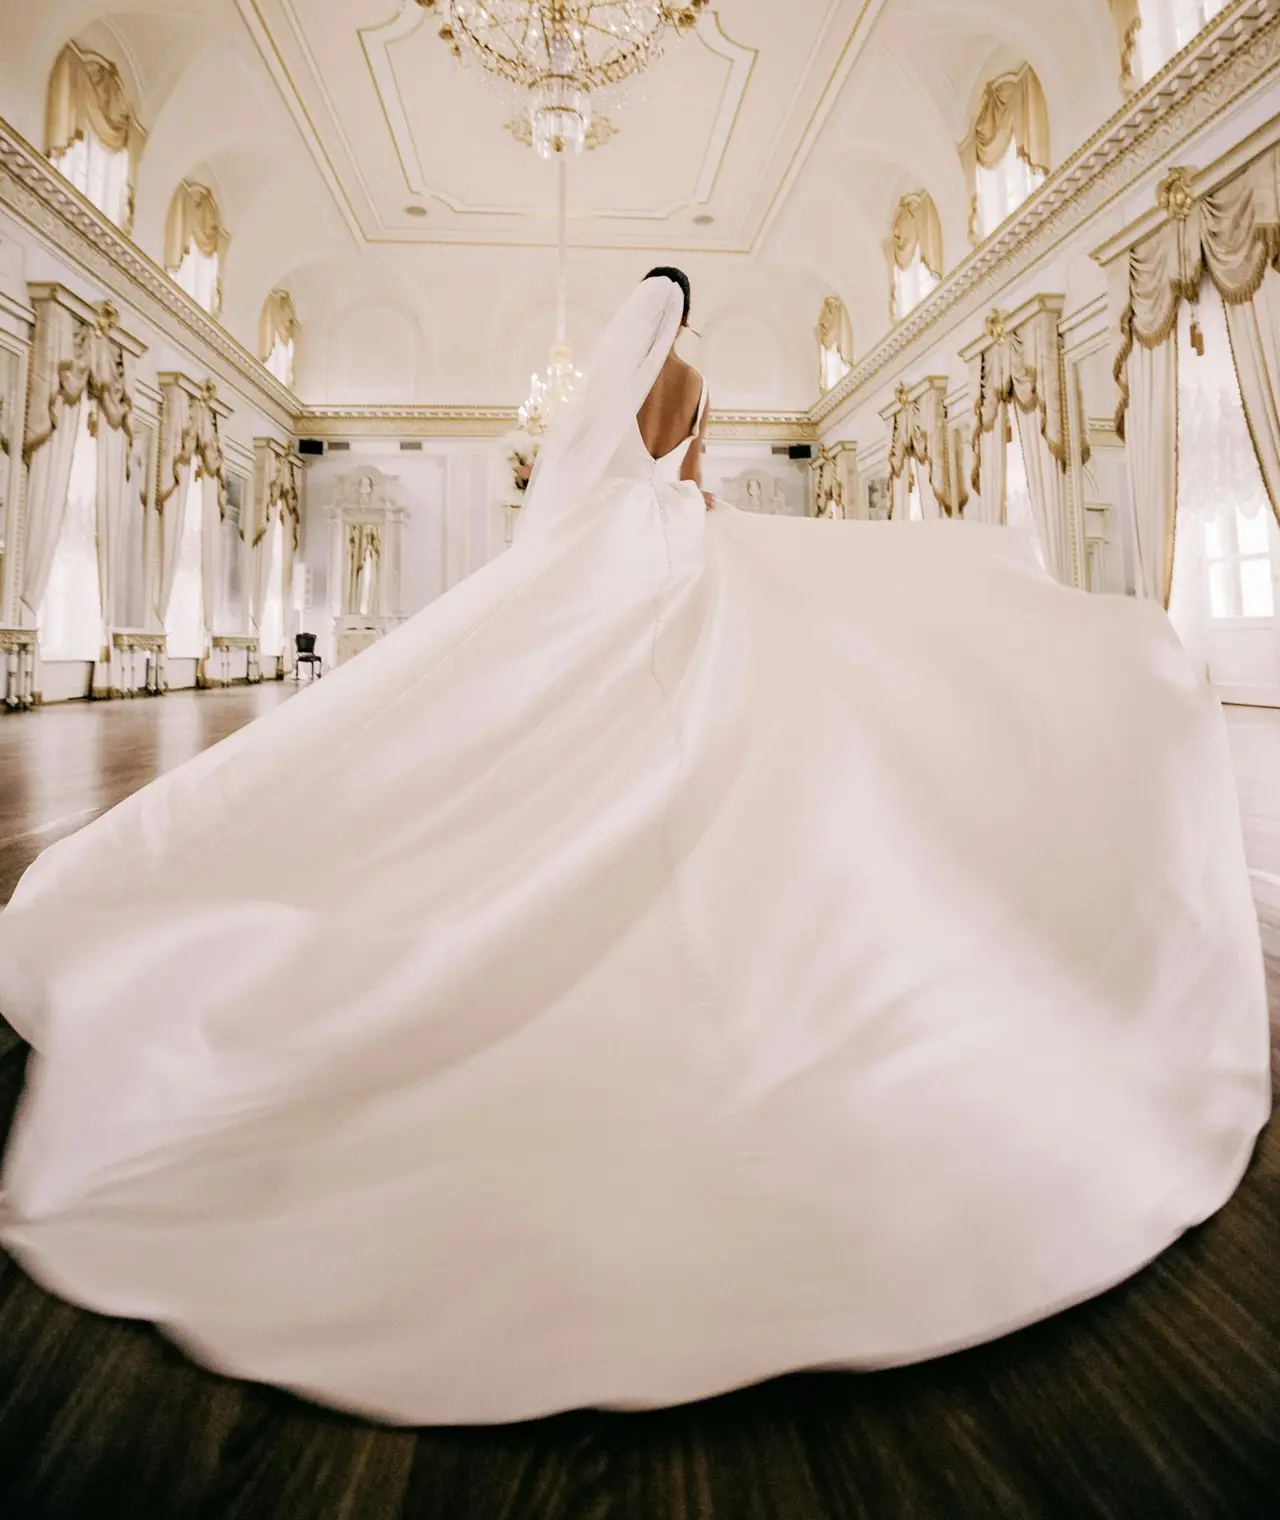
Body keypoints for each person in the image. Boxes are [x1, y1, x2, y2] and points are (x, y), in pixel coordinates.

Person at [0, 267, 1269, 1427]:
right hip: (663, 558)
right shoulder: (694, 378)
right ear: (684, 322)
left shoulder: (621, 390)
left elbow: (584, 488)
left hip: (609, 559)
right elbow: (692, 488)